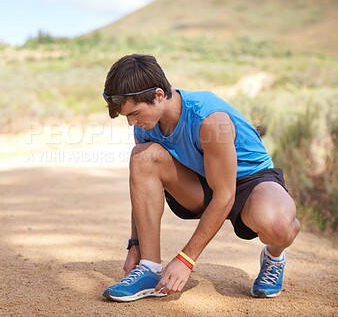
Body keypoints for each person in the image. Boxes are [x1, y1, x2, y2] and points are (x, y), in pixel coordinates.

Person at [101, 54, 300, 302]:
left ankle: (274, 256)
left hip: (250, 182)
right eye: (127, 116)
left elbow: (226, 194)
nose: (132, 122)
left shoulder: (209, 118)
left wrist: (186, 259)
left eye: (135, 113)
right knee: (142, 157)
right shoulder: (145, 126)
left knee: (278, 226)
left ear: (159, 95)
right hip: (199, 182)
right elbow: (140, 187)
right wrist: (135, 244)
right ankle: (149, 268)